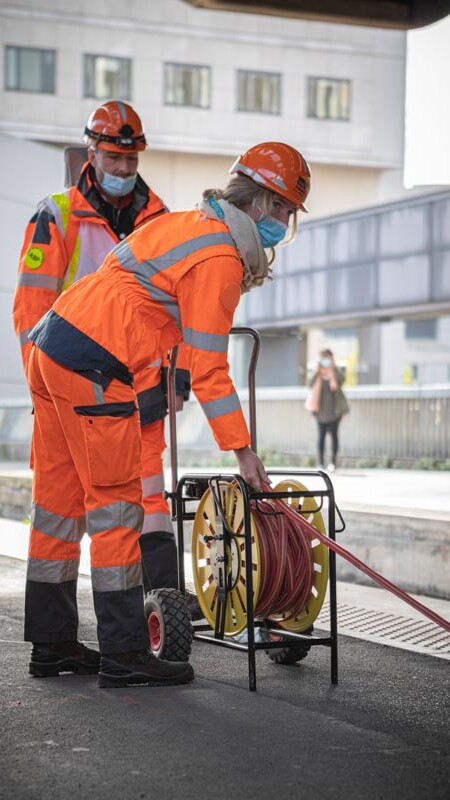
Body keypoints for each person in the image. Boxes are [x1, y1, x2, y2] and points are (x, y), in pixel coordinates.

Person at [21, 140, 311, 688]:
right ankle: (125, 654)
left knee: (58, 506)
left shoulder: (184, 224)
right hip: (96, 363)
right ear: (265, 205)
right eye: (287, 211)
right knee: (115, 508)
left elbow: (138, 304)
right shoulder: (221, 258)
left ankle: (52, 643)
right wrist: (244, 453)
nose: (285, 224)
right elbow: (209, 371)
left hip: (52, 347)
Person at [12, 100, 198, 618]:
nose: (122, 170)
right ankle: (68, 638)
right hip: (76, 381)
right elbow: (31, 313)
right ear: (91, 153)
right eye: (113, 158)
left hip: (142, 382)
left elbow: (177, 304)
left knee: (148, 496)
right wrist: (43, 394)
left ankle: (164, 611)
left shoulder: (160, 217)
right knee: (64, 508)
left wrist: (176, 377)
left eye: (130, 161)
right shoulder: (59, 215)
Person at [308, 348, 348, 471]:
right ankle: (320, 463)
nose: (325, 360)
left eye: (327, 357)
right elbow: (310, 383)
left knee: (334, 437)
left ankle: (333, 463)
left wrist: (333, 369)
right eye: (323, 357)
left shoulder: (337, 369)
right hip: (320, 411)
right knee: (321, 437)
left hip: (335, 411)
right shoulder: (316, 370)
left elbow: (341, 381)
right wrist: (318, 371)